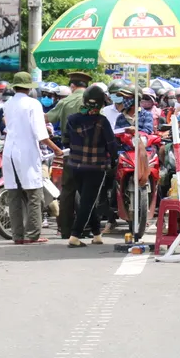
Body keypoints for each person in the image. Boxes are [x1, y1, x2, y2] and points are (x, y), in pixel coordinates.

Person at [1, 72, 63, 244]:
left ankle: (17, 236)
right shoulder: (33, 104)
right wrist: (57, 150)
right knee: (34, 195)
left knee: (14, 195)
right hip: (26, 152)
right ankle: (33, 234)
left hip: (9, 152)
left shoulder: (7, 104)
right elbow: (41, 134)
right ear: (29, 88)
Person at [64, 84, 119, 247]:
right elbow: (112, 145)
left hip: (75, 166)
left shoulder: (72, 119)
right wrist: (114, 159)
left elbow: (65, 141)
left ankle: (96, 234)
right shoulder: (102, 121)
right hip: (96, 167)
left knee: (88, 199)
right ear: (102, 104)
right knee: (87, 202)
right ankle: (75, 236)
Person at [48, 72, 93, 239]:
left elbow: (48, 118)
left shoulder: (64, 101)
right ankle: (87, 228)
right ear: (86, 86)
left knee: (68, 191)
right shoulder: (94, 102)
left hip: (70, 151)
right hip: (91, 153)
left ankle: (66, 230)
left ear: (72, 87)